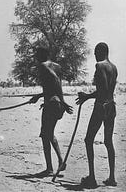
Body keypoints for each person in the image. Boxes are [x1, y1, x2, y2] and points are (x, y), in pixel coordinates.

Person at [76, 42, 118, 188]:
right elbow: (109, 91)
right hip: (112, 106)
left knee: (88, 140)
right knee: (108, 141)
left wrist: (86, 96)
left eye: (95, 52)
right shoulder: (114, 67)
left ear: (102, 51)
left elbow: (103, 90)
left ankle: (92, 178)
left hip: (101, 107)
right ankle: (112, 178)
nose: (94, 55)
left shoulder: (100, 65)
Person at [29, 47, 73, 176]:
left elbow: (54, 82)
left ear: (42, 55)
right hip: (56, 104)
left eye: (37, 55)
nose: (36, 58)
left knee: (44, 135)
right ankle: (60, 160)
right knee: (49, 133)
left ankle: (49, 168)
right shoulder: (58, 66)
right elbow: (58, 85)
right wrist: (62, 102)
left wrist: (39, 96)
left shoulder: (43, 66)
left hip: (52, 104)